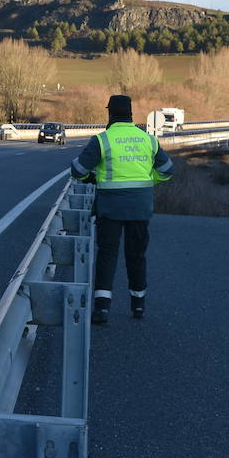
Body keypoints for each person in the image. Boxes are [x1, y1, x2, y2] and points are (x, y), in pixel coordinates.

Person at [70, 94, 174, 323]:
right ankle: (138, 306)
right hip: (140, 206)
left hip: (110, 207)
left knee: (108, 254)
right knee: (136, 255)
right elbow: (167, 169)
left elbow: (77, 170)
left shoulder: (102, 140)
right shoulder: (148, 140)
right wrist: (148, 181)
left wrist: (92, 178)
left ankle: (102, 309)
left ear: (110, 113)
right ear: (131, 114)